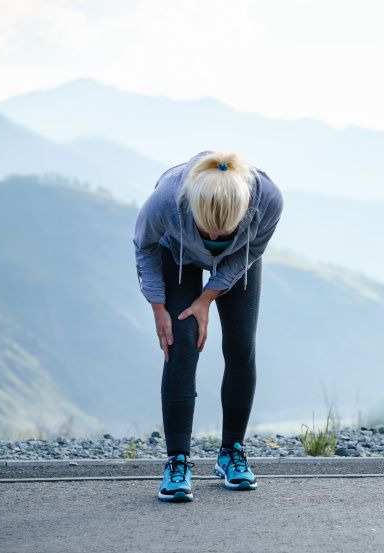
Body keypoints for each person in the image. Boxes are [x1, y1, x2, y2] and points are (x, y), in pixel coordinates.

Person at [133, 150, 284, 502]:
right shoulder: (166, 202)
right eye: (207, 230)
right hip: (177, 254)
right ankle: (177, 461)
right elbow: (144, 247)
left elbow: (254, 251)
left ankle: (231, 451)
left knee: (241, 344)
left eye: (224, 232)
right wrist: (158, 307)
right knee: (180, 341)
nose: (215, 237)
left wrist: (206, 299)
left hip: (240, 258)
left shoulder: (268, 201)